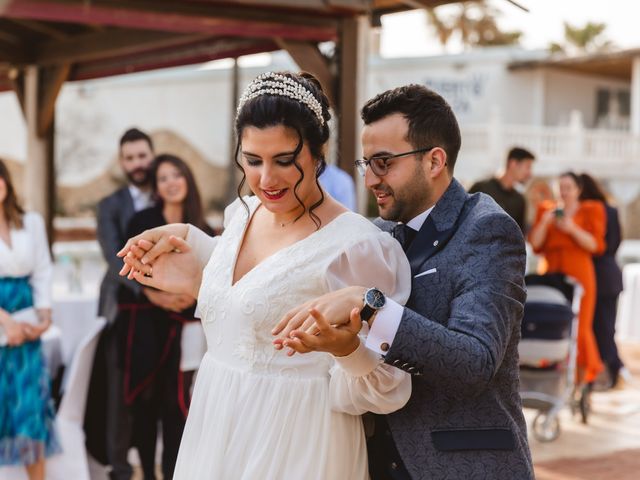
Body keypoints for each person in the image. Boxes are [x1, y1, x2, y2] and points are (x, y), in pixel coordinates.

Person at [118, 71, 412, 479]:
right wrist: (190, 244)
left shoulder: (358, 246)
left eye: (284, 161)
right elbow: (252, 296)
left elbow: (389, 386)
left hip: (298, 441)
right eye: (253, 160)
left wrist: (347, 352)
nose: (266, 180)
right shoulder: (240, 216)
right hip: (216, 423)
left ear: (317, 151)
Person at [273, 84, 534, 479]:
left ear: (434, 161)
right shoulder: (376, 234)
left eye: (384, 162)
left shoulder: (487, 230)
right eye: (366, 165)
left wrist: (370, 304)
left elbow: (475, 362)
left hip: (460, 466)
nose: (371, 179)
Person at [115, 153, 210, 479]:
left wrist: (189, 296)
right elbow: (126, 276)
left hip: (187, 331)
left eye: (177, 175)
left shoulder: (203, 229)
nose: (171, 183)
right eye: (164, 178)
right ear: (156, 187)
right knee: (145, 404)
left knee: (177, 407)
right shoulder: (142, 222)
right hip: (147, 328)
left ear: (187, 178)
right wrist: (161, 296)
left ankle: (172, 473)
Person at [85, 127, 156, 479]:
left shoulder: (166, 196)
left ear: (152, 155)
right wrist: (155, 289)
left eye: (142, 156)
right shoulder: (109, 205)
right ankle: (119, 469)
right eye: (130, 158)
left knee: (152, 395)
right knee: (118, 395)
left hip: (160, 316)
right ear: (122, 162)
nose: (137, 163)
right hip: (121, 309)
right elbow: (115, 260)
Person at [0, 158, 59, 480]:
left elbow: (42, 269)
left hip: (27, 326)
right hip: (4, 322)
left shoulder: (31, 222)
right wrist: (6, 323)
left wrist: (44, 315)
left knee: (29, 410)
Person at [529, 172, 606, 386]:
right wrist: (545, 222)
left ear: (578, 189)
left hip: (580, 274)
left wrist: (572, 229)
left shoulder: (592, 209)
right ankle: (554, 379)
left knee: (580, 328)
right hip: (552, 274)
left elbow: (596, 246)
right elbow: (535, 245)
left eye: (568, 187)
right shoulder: (545, 209)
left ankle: (581, 383)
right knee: (554, 323)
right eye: (560, 187)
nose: (564, 192)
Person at [579, 173, 625, 388]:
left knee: (599, 329)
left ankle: (613, 372)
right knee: (606, 328)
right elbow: (616, 243)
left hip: (598, 276)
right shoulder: (612, 210)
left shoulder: (587, 211)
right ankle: (611, 374)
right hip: (611, 274)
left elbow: (603, 245)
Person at [469, 146, 535, 233]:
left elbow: (519, 237)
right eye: (528, 167)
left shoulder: (519, 200)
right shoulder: (481, 188)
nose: (530, 174)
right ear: (513, 164)